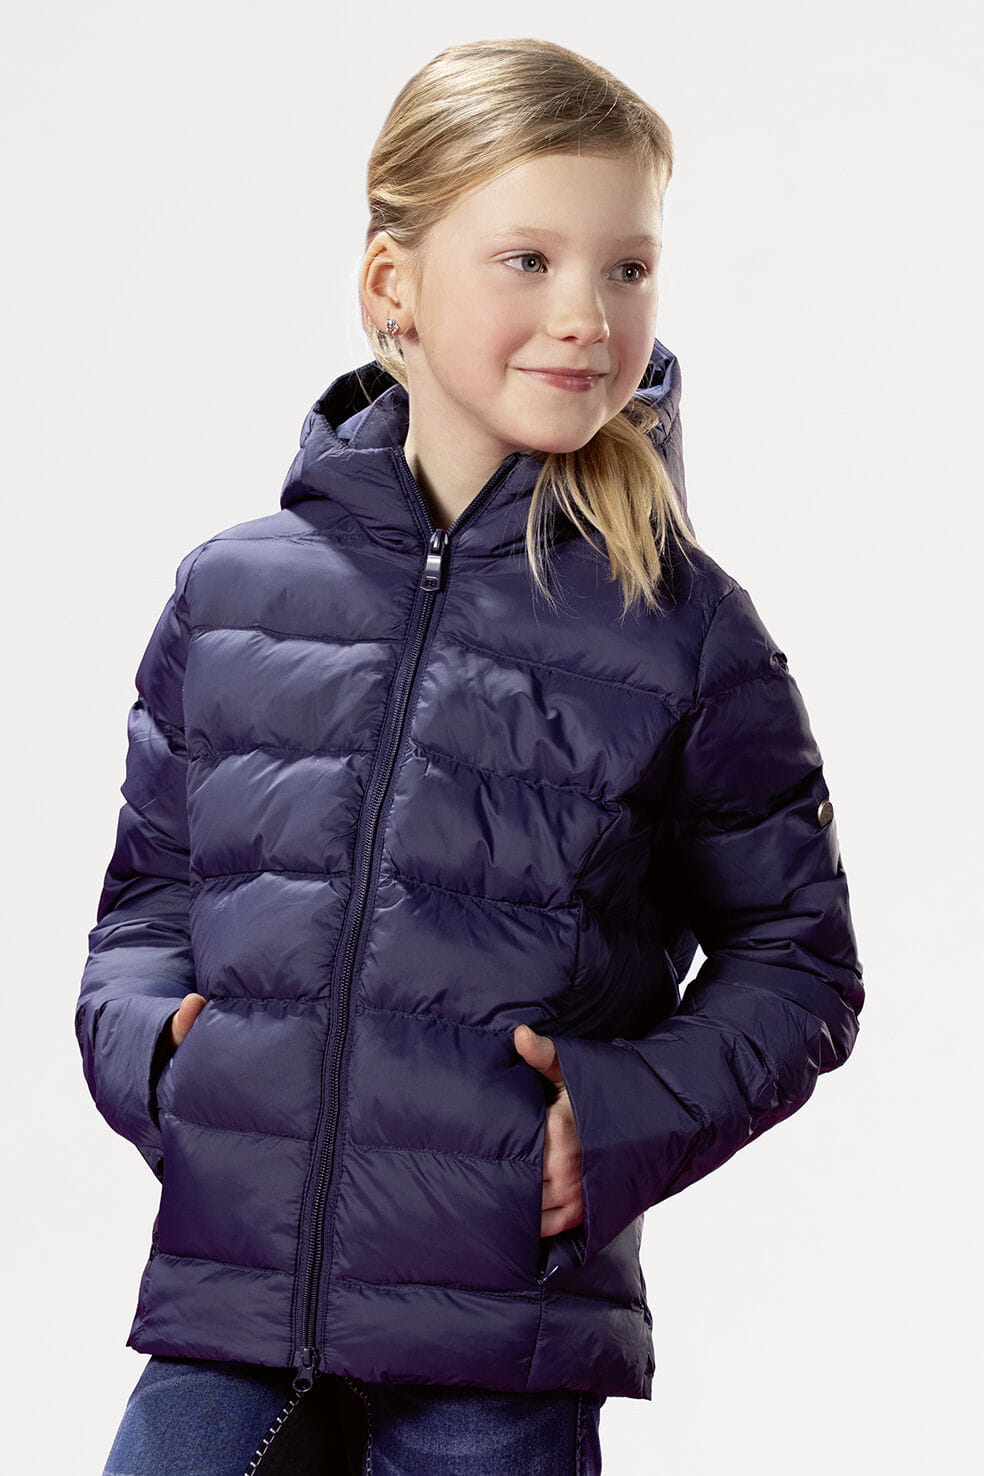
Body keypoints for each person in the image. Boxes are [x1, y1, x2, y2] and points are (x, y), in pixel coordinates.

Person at [76, 35, 865, 1476]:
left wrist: (610, 1121)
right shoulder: (233, 592)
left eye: (627, 268)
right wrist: (163, 1064)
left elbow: (799, 961)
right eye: (528, 261)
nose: (585, 316)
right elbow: (149, 903)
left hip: (499, 1352)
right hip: (228, 1312)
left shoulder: (680, 627)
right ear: (395, 286)